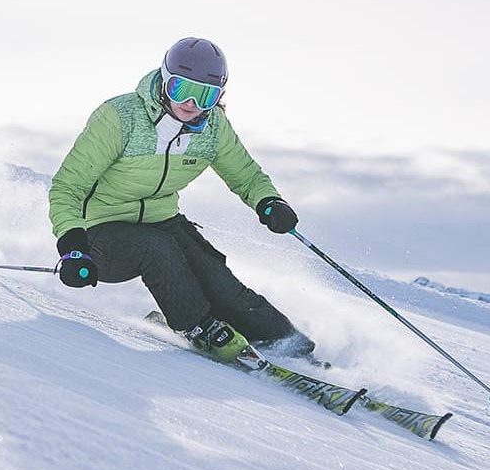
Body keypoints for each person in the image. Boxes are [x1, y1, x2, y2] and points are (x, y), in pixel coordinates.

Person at [49, 37, 315, 363]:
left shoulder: (213, 128)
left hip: (162, 221)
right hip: (100, 235)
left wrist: (269, 202)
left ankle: (287, 344)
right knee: (156, 249)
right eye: (180, 89)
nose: (190, 103)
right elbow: (67, 187)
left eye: (205, 95)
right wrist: (73, 247)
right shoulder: (120, 118)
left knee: (217, 279)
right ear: (164, 80)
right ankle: (198, 326)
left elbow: (246, 176)